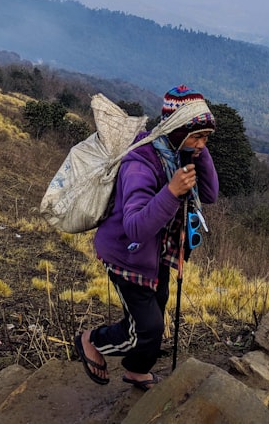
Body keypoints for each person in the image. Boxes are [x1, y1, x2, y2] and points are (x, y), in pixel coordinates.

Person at [74, 86, 219, 390]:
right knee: (146, 329)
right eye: (198, 136)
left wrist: (198, 152)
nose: (203, 143)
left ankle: (137, 372)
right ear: (175, 130)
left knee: (155, 315)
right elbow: (136, 227)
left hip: (157, 255)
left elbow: (209, 194)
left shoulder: (178, 154)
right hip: (127, 256)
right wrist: (171, 192)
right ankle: (91, 341)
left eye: (207, 137)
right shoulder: (141, 162)